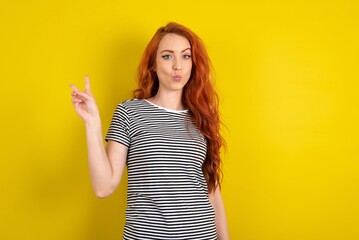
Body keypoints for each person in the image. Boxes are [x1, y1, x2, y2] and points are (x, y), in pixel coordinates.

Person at [70, 22, 229, 240]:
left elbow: (213, 193)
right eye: (167, 56)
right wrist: (92, 124)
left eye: (185, 56)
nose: (177, 66)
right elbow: (103, 187)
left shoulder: (201, 117)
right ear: (153, 64)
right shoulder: (129, 112)